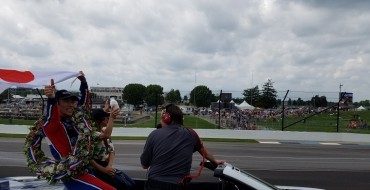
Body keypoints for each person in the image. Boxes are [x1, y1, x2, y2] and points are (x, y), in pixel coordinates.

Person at [43, 71, 116, 190]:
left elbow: (83, 103)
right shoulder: (53, 124)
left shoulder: (76, 120)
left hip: (84, 169)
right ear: (57, 103)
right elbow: (52, 116)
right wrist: (51, 98)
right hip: (70, 173)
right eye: (66, 101)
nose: (71, 105)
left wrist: (83, 82)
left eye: (72, 101)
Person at [140, 103, 225, 190]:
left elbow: (144, 165)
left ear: (166, 119)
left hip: (154, 185)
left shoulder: (154, 134)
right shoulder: (191, 134)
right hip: (178, 186)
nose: (160, 121)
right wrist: (215, 162)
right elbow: (205, 153)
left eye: (161, 119)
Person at [90, 104, 135, 190]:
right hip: (97, 168)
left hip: (106, 165)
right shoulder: (91, 134)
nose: (108, 120)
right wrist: (112, 117)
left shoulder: (103, 131)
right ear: (100, 121)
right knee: (122, 185)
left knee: (131, 183)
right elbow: (106, 135)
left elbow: (112, 150)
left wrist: (109, 166)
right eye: (106, 118)